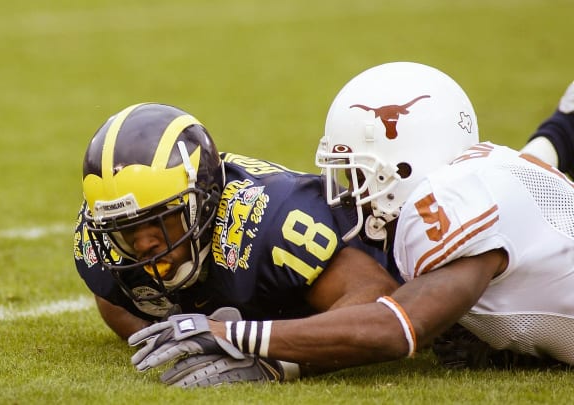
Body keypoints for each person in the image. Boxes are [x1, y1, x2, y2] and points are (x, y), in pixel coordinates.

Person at [128, 62, 574, 387]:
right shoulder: (487, 172)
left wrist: (230, 333)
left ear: (402, 163)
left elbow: (397, 328)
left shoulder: (453, 199)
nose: (347, 190)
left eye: (355, 171)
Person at [73, 102, 399, 379]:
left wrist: (272, 355)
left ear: (205, 202)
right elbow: (113, 300)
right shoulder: (108, 252)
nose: (143, 244)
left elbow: (378, 296)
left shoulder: (270, 222)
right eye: (124, 229)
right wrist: (172, 338)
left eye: (160, 220)